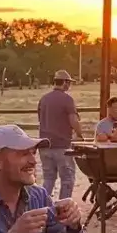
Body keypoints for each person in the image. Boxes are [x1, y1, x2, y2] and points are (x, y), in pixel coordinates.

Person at [37, 69, 83, 200]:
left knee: (48, 178)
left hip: (44, 145)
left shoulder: (44, 99)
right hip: (62, 145)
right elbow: (73, 120)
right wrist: (80, 134)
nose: (69, 86)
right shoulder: (67, 99)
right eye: (69, 83)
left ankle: (42, 206)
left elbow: (41, 119)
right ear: (65, 82)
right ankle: (63, 210)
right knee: (67, 179)